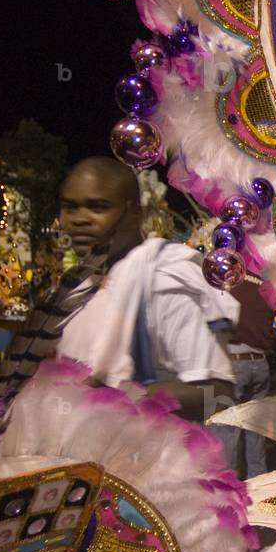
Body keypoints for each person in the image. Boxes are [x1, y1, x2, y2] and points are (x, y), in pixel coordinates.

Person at [57, 156, 237, 420]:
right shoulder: (77, 285)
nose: (79, 219)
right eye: (70, 207)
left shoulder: (164, 275)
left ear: (135, 214)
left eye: (97, 207)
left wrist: (115, 397)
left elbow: (215, 393)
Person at [209, 279, 275, 478]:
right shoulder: (265, 291)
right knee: (255, 428)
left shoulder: (227, 290)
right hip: (260, 362)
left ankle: (228, 489)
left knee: (226, 428)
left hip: (233, 363)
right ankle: (258, 485)